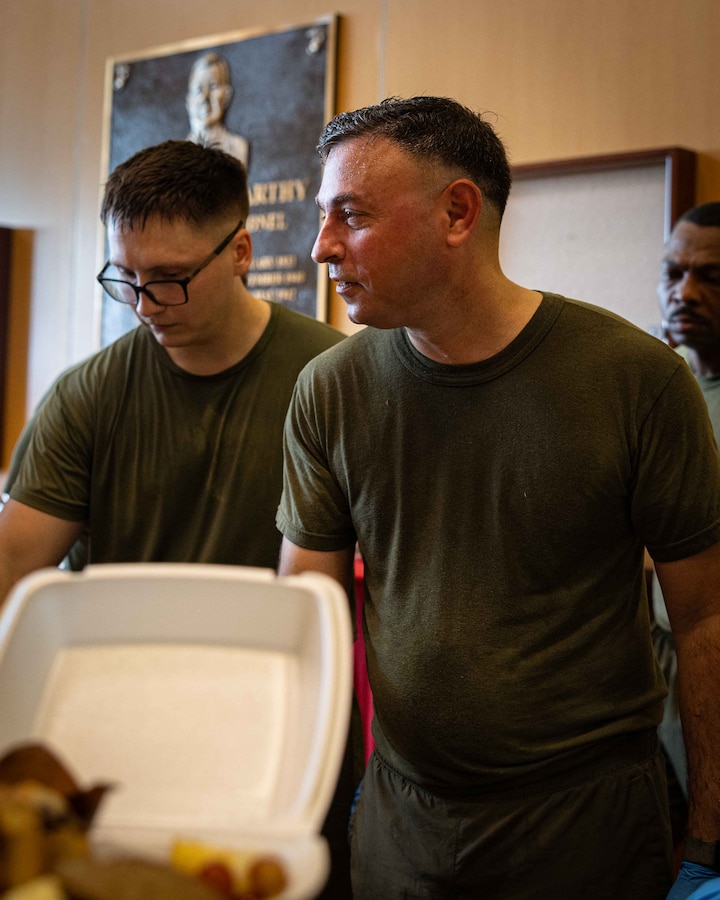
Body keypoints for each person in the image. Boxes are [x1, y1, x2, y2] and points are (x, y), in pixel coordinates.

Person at [275, 96, 720, 900]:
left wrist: (711, 843)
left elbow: (705, 619)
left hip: (588, 827)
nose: (322, 246)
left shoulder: (636, 381)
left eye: (353, 215)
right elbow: (306, 619)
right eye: (322, 215)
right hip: (403, 822)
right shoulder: (330, 391)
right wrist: (292, 806)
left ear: (457, 213)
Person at [0, 139, 352, 898]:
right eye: (124, 278)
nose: (144, 305)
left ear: (241, 253)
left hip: (275, 737)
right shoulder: (88, 395)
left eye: (169, 279)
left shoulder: (333, 380)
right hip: (118, 725)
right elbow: (12, 567)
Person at [652, 201, 720, 852]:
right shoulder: (663, 391)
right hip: (655, 666)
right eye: (674, 274)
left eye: (711, 277)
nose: (686, 293)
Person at [186, 52, 249, 168]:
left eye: (213, 87)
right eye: (198, 89)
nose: (204, 97)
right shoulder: (177, 155)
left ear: (226, 96)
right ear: (189, 99)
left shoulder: (238, 147)